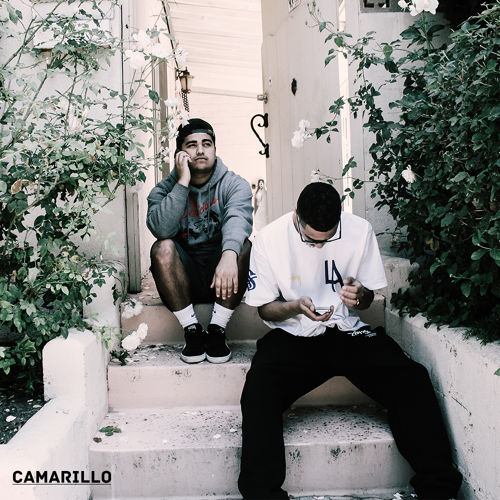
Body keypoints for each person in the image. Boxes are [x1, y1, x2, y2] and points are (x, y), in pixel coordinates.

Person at [238, 182, 462, 499]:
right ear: (296, 216)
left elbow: (368, 300)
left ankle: (439, 489)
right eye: (311, 239)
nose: (319, 246)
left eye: (327, 239)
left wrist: (360, 295)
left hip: (347, 330)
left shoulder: (360, 230)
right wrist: (294, 306)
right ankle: (262, 495)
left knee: (411, 377)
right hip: (294, 334)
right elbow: (265, 308)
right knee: (259, 387)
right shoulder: (269, 239)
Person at [146, 118, 253, 364]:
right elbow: (161, 229)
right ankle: (192, 331)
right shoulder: (162, 191)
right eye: (192, 145)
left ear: (215, 149)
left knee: (242, 246)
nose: (201, 150)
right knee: (162, 248)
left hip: (223, 275)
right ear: (180, 154)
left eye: (207, 143)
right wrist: (182, 182)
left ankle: (217, 329)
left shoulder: (234, 184)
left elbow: (238, 219)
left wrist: (229, 254)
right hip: (182, 281)